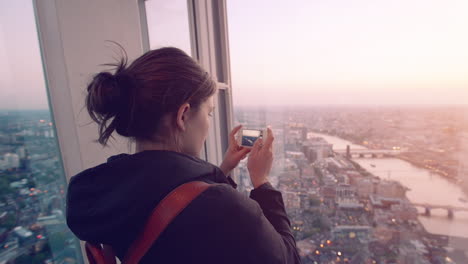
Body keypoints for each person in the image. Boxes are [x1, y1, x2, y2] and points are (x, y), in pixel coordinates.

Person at [66, 46, 301, 264]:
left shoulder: (109, 190)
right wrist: (261, 182)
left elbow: (178, 208)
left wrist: (223, 170)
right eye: (209, 113)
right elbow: (287, 257)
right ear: (183, 115)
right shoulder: (225, 209)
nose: (208, 124)